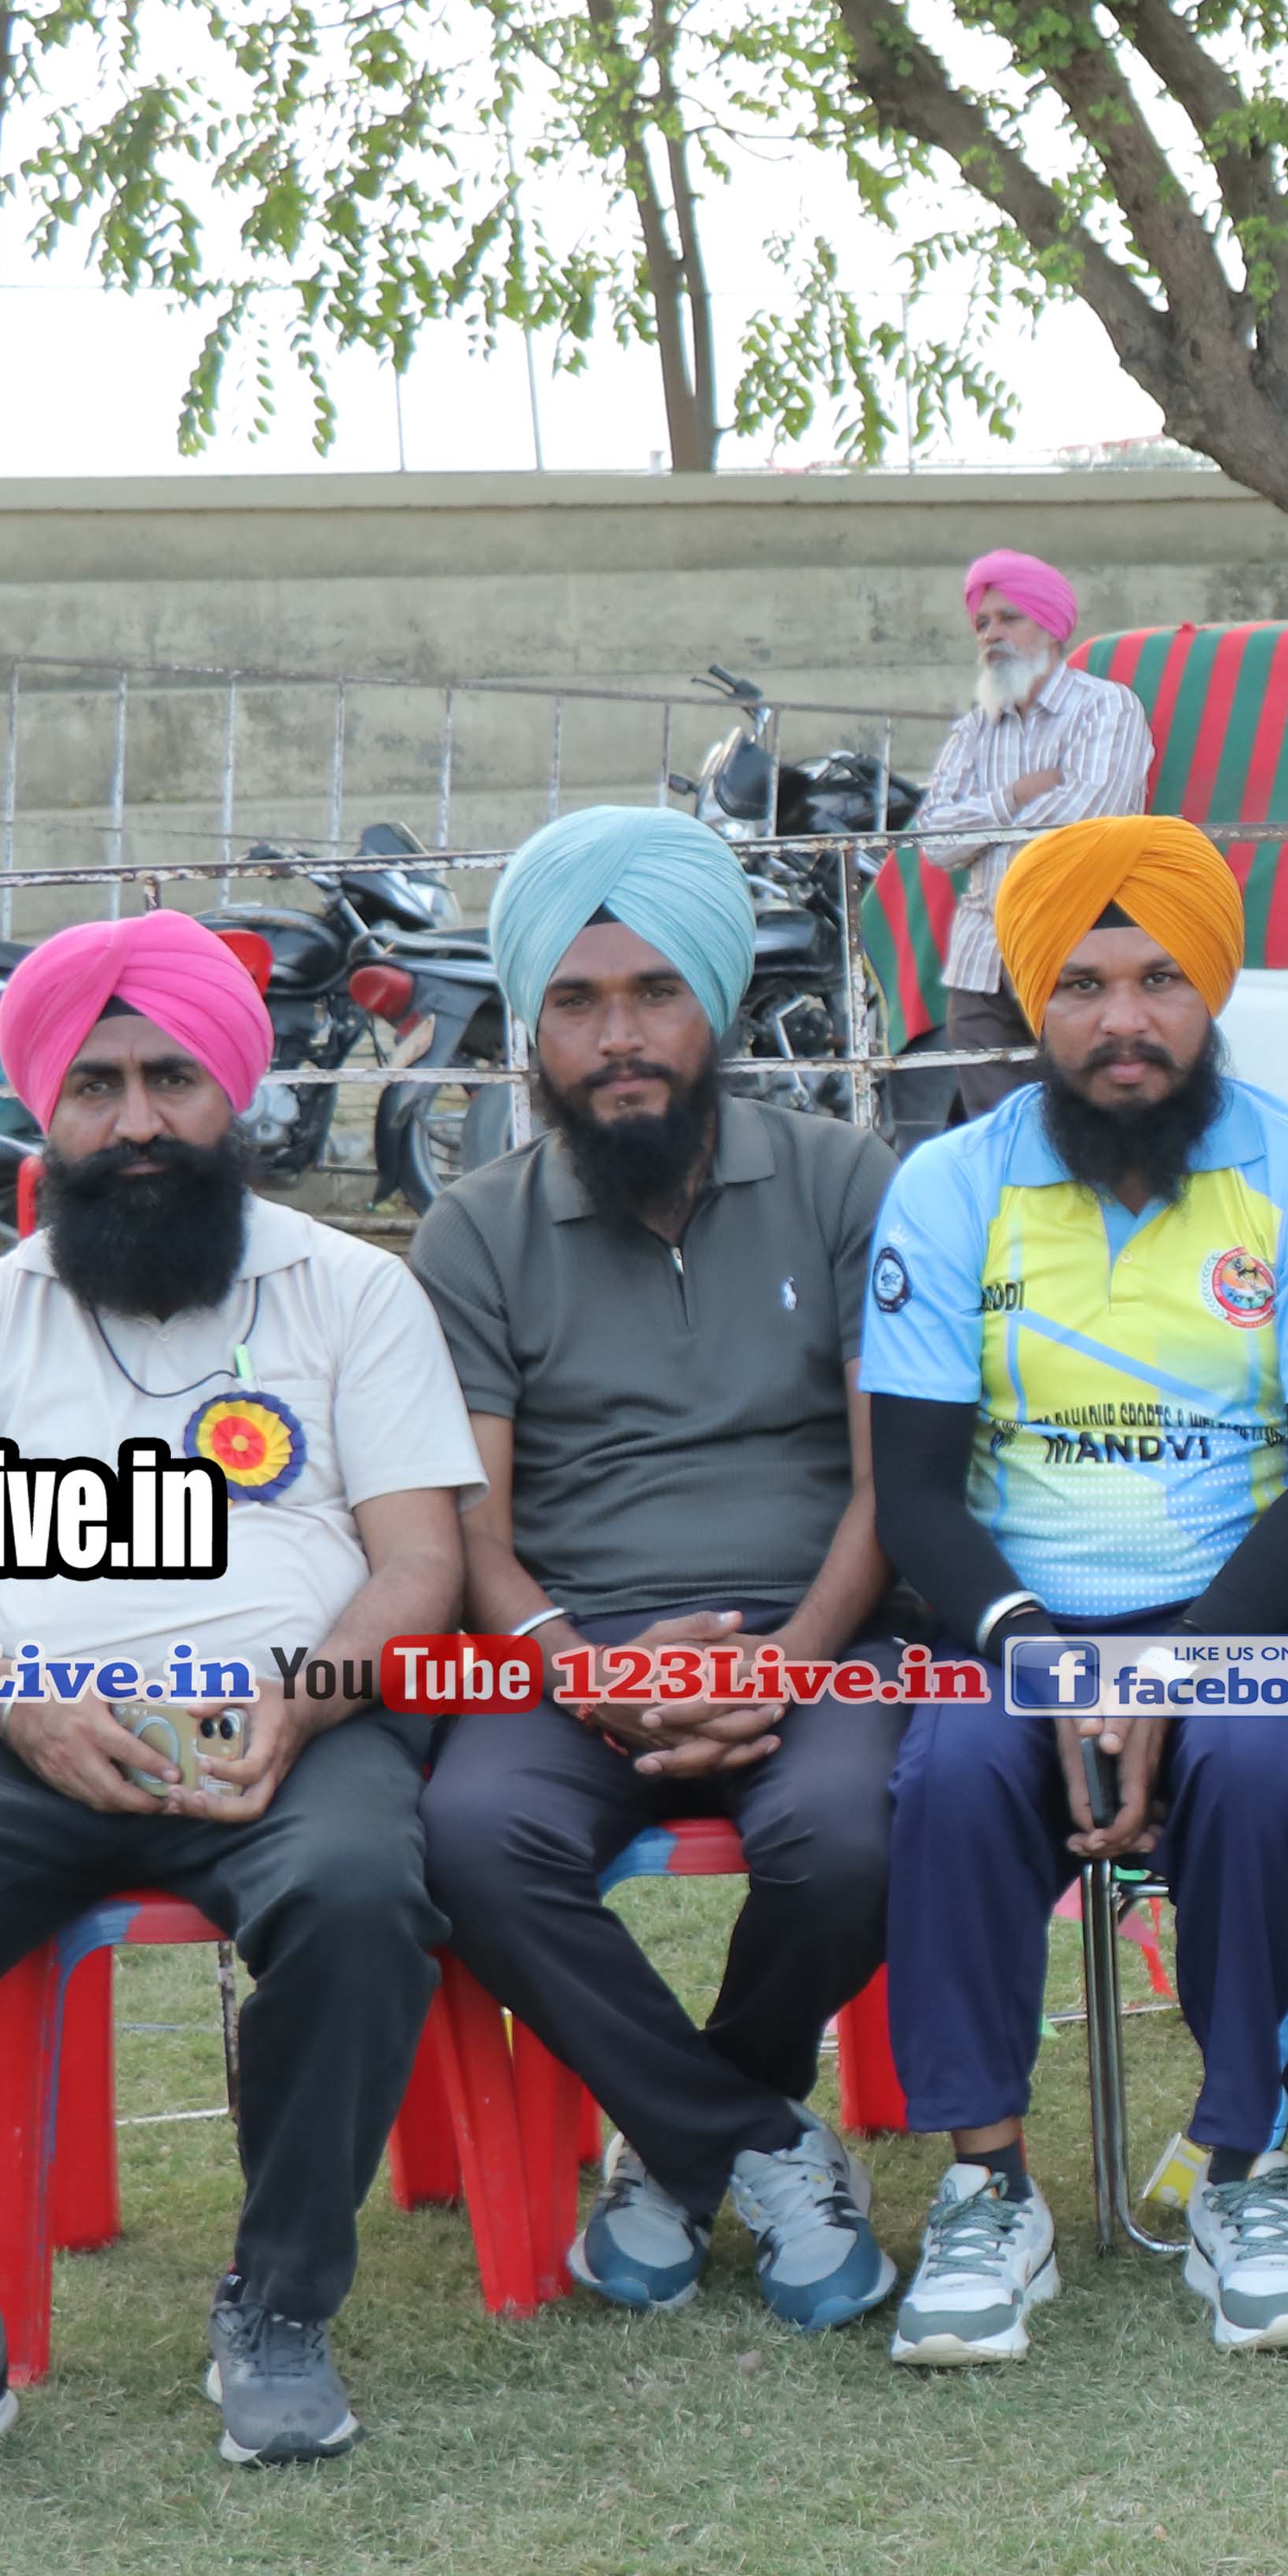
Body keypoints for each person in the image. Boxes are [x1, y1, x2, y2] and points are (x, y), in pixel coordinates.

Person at [0, 911, 479, 2494]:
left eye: (170, 1080)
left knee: (359, 1895)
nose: (138, 1121)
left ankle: (277, 2308)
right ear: (43, 1109)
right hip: (24, 1734)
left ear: (235, 1094)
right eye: (95, 1086)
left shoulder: (354, 1292)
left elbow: (420, 1563)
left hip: (288, 1724)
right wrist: (24, 1709)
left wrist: (304, 1700)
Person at [861, 814, 1288, 2365]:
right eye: (1084, 985)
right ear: (1034, 1003)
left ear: (1210, 991)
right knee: (953, 1775)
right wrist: (1043, 1659)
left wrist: (1176, 1673)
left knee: (1258, 1769)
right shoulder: (948, 1187)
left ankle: (1244, 2170)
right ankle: (988, 2188)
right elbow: (913, 1493)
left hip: (1245, 1619)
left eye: (1161, 980)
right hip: (1017, 1624)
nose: (1124, 1021)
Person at [414, 807, 906, 2332]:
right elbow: (472, 1531)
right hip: (572, 1645)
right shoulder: (474, 1232)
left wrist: (789, 1661)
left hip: (819, 1627)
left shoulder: (843, 1181)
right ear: (531, 1025)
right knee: (471, 1836)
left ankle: (680, 2139)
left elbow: (891, 1481)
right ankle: (750, 2140)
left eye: (653, 993)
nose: (619, 1037)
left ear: (718, 1003)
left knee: (850, 1838)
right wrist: (591, 1676)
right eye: (575, 1001)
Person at [902, 550, 1158, 1128]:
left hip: (1076, 952)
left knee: (1092, 1128)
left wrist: (981, 832)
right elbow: (935, 842)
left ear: (1050, 627)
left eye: (1008, 618)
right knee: (998, 1137)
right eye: (982, 623)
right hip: (980, 966)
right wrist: (1014, 795)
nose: (991, 634)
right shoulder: (973, 729)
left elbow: (1086, 823)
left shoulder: (1106, 708)